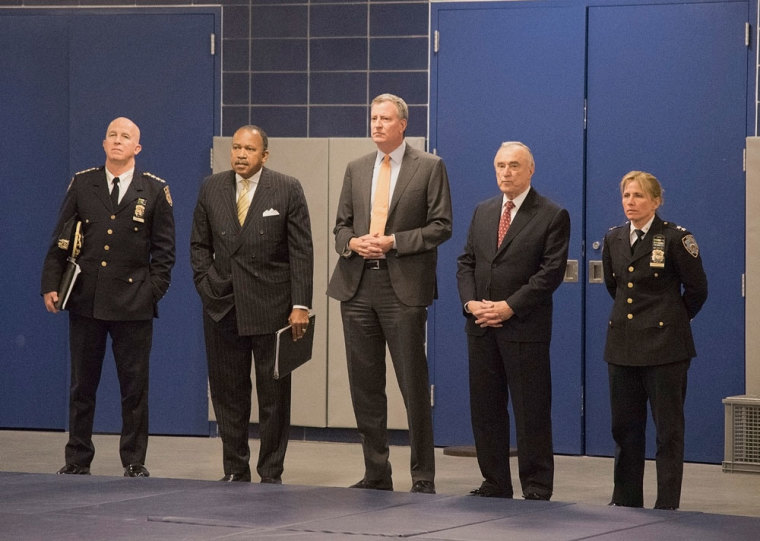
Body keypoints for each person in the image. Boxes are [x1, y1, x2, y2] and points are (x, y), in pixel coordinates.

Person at [327, 93, 452, 494]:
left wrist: (394, 241)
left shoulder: (430, 166)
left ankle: (423, 475)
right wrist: (352, 244)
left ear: (403, 124)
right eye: (373, 118)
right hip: (357, 285)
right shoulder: (356, 168)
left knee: (413, 384)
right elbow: (340, 228)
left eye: (385, 118)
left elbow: (441, 226)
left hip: (403, 287)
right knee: (364, 384)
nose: (377, 124)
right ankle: (376, 472)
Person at [41, 117, 176, 477]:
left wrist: (151, 293)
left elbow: (164, 253)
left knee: (134, 389)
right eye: (112, 136)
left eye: (126, 137)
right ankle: (77, 458)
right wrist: (50, 283)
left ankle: (133, 460)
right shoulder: (84, 184)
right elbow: (61, 239)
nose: (118, 141)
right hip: (87, 299)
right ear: (104, 144)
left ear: (138, 148)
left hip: (134, 303)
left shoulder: (154, 191)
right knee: (82, 385)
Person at [190, 125, 314, 483]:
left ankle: (271, 471)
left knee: (273, 396)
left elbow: (301, 251)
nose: (241, 154)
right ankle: (234, 468)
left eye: (249, 149)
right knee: (229, 393)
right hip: (221, 305)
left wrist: (300, 305)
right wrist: (205, 284)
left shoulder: (287, 188)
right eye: (236, 148)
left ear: (265, 155)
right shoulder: (210, 187)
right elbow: (198, 245)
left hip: (273, 308)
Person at [456, 141, 570, 500]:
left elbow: (549, 274)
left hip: (523, 328)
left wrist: (509, 307)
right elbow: (466, 262)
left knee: (530, 410)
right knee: (486, 409)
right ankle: (495, 482)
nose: (506, 172)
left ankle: (536, 485)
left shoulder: (552, 214)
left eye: (514, 166)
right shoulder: (483, 211)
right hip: (481, 327)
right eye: (501, 166)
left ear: (531, 169)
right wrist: (471, 303)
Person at [602, 171, 707, 510]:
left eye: (639, 196)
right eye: (626, 196)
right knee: (625, 430)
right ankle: (626, 500)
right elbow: (614, 286)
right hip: (623, 347)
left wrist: (674, 321)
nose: (631, 203)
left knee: (668, 432)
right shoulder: (614, 237)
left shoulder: (676, 238)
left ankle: (667, 505)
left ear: (656, 201)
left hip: (665, 348)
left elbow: (697, 290)